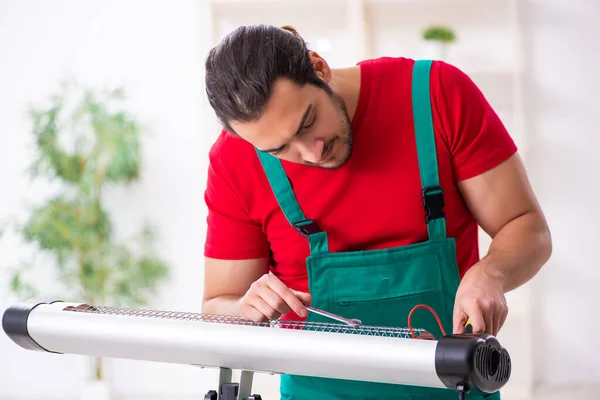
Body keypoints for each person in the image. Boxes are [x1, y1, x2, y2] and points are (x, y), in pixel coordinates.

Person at [200, 24, 552, 400]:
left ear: (319, 68)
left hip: (454, 388)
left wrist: (491, 274)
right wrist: (245, 306)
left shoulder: (436, 94)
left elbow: (527, 228)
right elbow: (217, 306)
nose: (311, 153)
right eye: (279, 149)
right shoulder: (233, 162)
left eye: (308, 122)